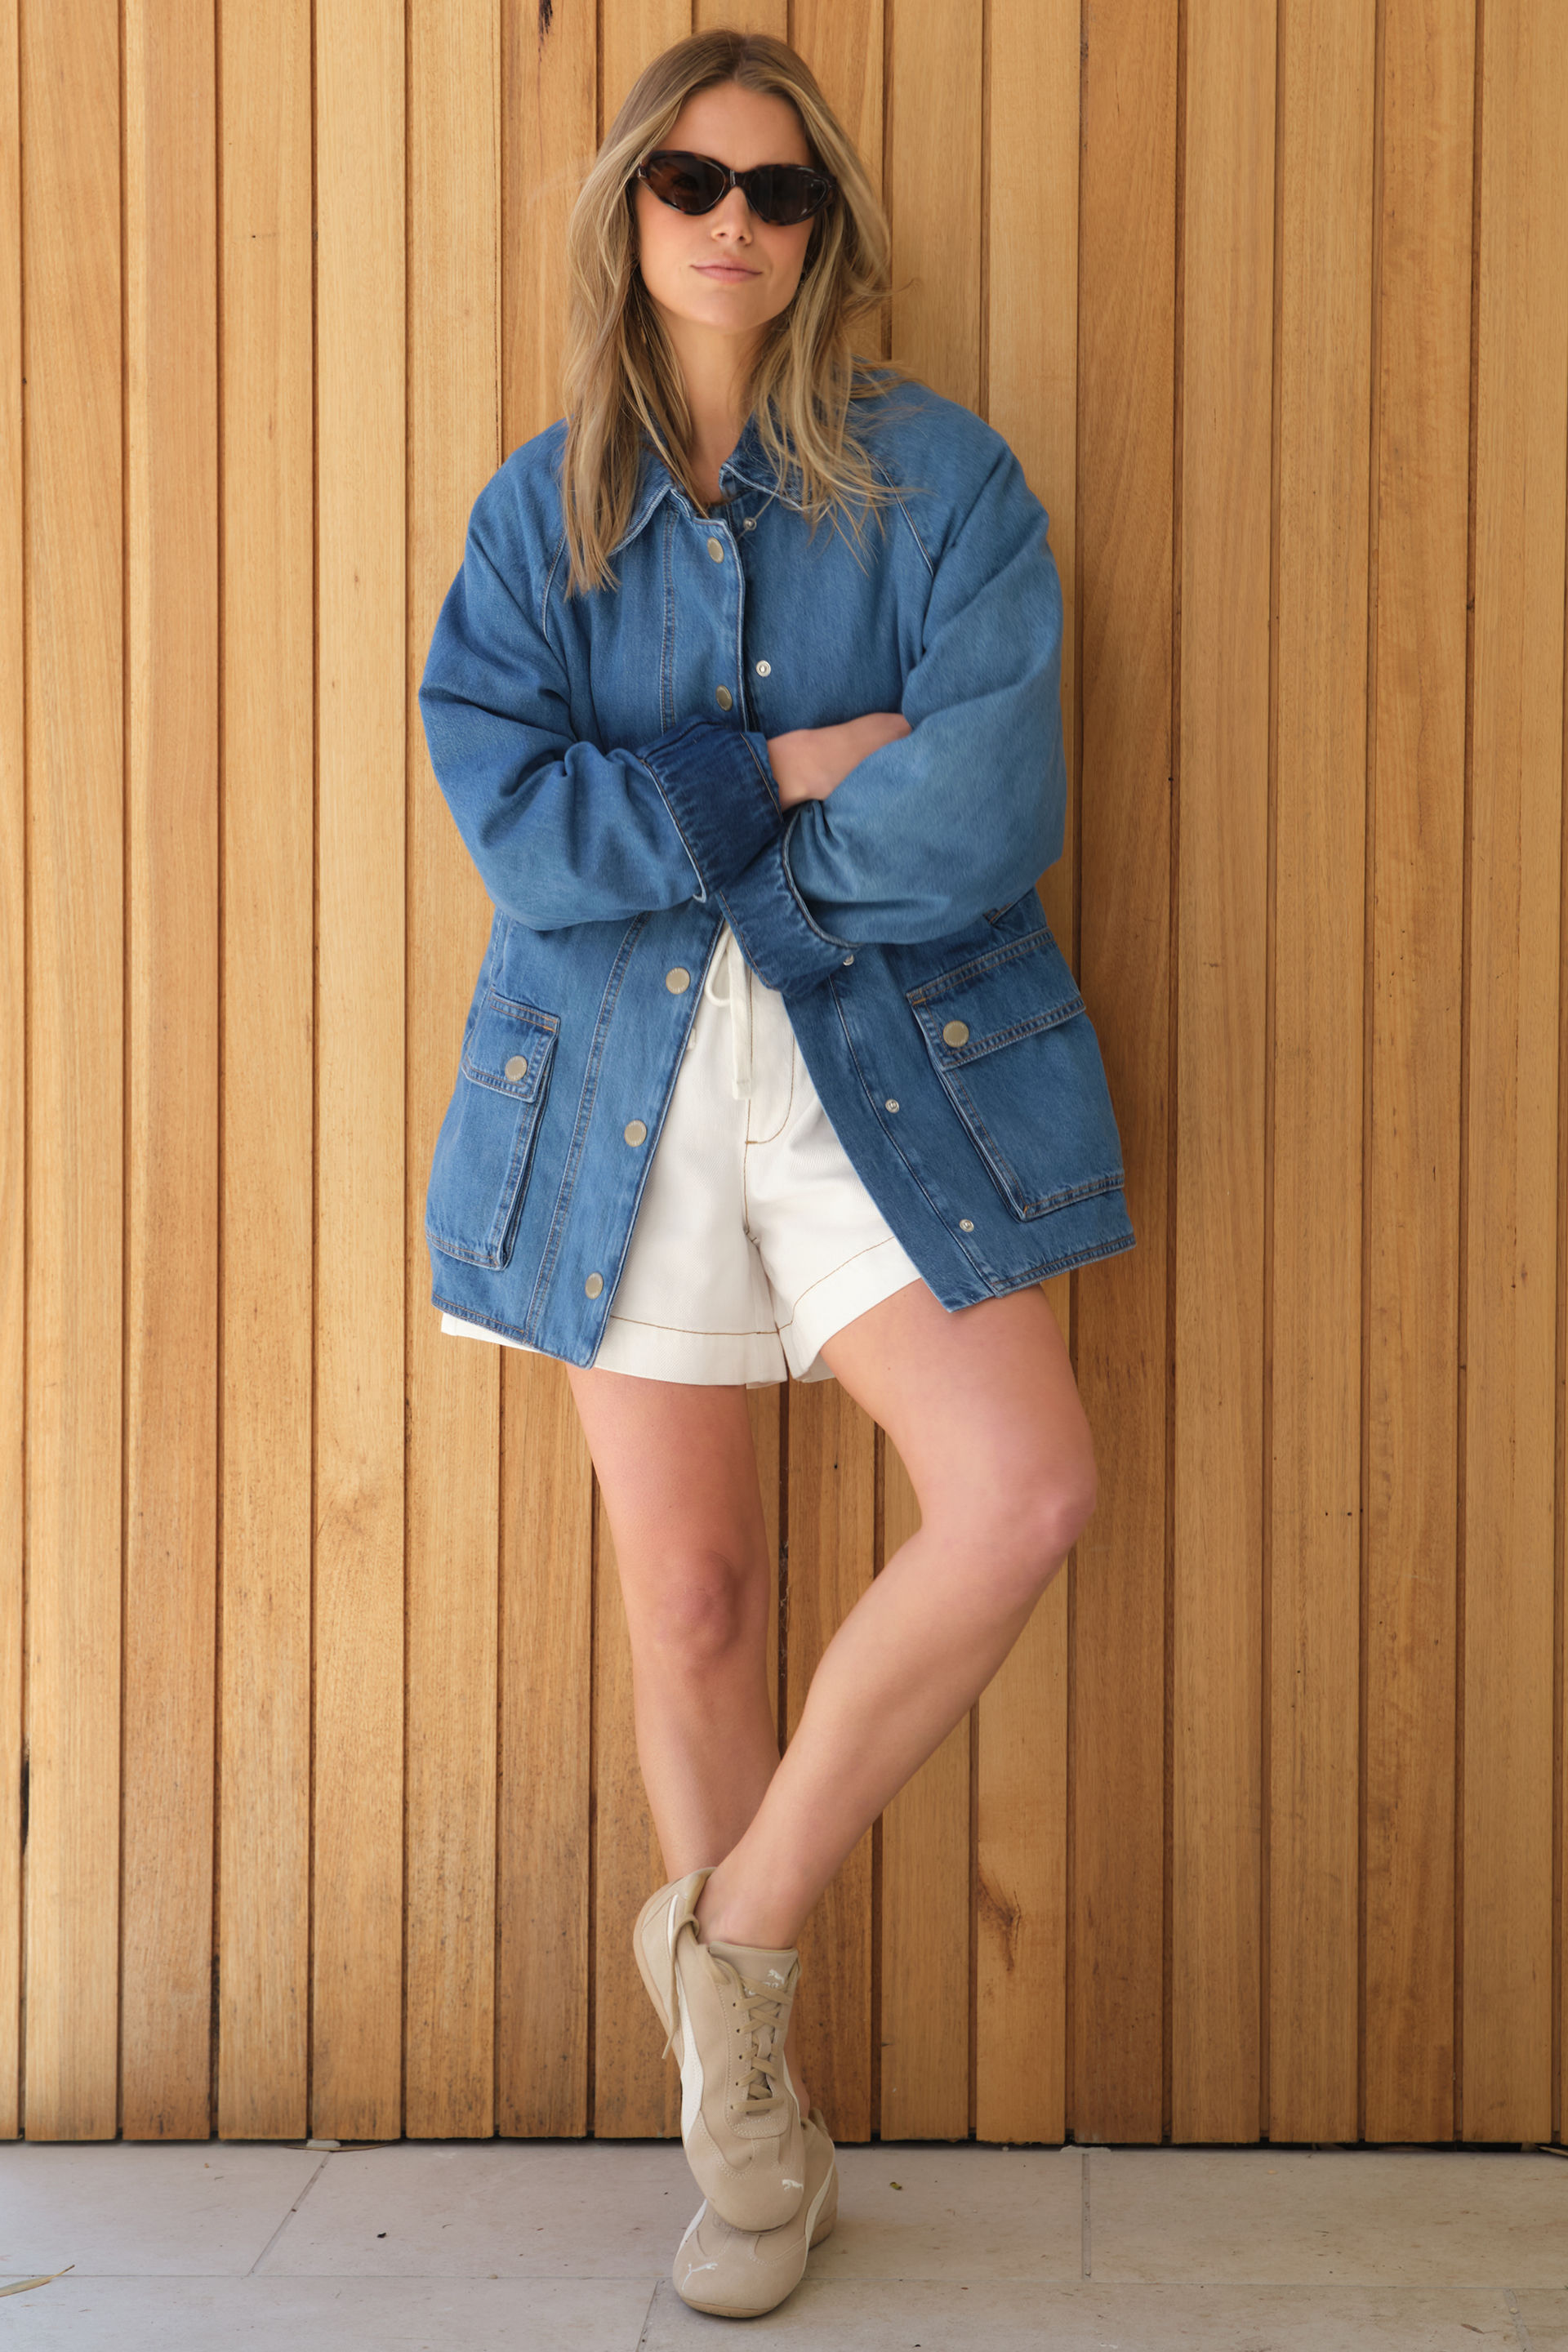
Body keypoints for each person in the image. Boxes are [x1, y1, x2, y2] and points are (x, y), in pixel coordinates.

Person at [417, 27, 1134, 2321]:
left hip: (881, 1060)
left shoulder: (948, 488)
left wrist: (725, 838)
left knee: (1023, 1488)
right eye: (693, 182)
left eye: (781, 190)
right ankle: (752, 2143)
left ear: (826, 230)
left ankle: (731, 1936)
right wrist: (785, 769)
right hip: (611, 1081)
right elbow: (520, 830)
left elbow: (984, 806)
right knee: (699, 1599)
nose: (735, 221)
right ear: (630, 210)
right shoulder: (539, 520)